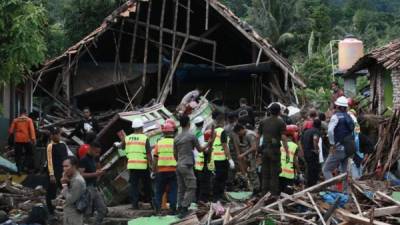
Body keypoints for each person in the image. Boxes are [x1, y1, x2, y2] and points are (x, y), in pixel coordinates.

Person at [174, 115, 208, 218]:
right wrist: (209, 143)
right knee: (192, 186)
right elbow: (200, 149)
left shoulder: (176, 137)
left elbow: (174, 154)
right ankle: (184, 208)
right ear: (189, 124)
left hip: (179, 164)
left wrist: (180, 161)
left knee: (181, 187)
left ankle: (179, 207)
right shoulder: (191, 136)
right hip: (187, 165)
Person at [258, 103, 289, 197]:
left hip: (264, 151)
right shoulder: (281, 122)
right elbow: (283, 138)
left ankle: (264, 194)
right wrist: (287, 152)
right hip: (274, 151)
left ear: (269, 111)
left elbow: (257, 136)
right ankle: (273, 195)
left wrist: (257, 150)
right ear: (279, 112)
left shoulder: (263, 122)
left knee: (265, 173)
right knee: (274, 174)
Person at [323, 96, 354, 185]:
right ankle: (345, 192)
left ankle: (333, 190)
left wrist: (332, 144)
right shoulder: (349, 116)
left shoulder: (335, 117)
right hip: (349, 147)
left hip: (339, 148)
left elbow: (330, 131)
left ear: (337, 106)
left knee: (326, 169)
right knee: (344, 172)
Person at [123, 118, 152, 209]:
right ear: (141, 128)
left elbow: (123, 150)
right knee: (147, 185)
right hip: (143, 165)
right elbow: (148, 153)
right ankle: (152, 203)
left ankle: (134, 205)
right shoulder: (144, 138)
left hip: (132, 165)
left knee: (134, 186)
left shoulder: (127, 138)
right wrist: (151, 165)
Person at [79, 141, 108, 225]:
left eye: (99, 152)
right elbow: (80, 174)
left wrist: (99, 173)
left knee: (103, 210)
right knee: (87, 213)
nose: (97, 154)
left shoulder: (93, 159)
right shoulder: (84, 160)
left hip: (94, 187)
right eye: (96, 152)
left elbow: (94, 171)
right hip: (86, 189)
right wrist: (95, 174)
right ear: (90, 149)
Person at [153, 122, 178, 214]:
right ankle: (172, 209)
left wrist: (153, 170)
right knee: (173, 189)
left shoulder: (159, 143)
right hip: (173, 170)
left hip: (161, 170)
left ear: (164, 133)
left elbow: (155, 158)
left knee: (159, 190)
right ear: (172, 132)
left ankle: (158, 209)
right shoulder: (176, 142)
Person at [45, 127, 69, 218]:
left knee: (66, 191)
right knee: (51, 192)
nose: (59, 136)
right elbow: (49, 161)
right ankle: (51, 211)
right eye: (57, 134)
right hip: (53, 172)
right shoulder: (50, 146)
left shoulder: (63, 144)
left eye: (59, 134)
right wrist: (51, 175)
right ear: (53, 135)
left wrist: (67, 171)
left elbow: (66, 158)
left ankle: (68, 210)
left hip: (62, 171)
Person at [233, 124, 260, 196]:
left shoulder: (249, 135)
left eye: (239, 133)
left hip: (253, 157)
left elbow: (253, 147)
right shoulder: (246, 134)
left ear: (241, 129)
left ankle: (257, 190)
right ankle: (255, 189)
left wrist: (243, 154)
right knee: (251, 173)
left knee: (253, 173)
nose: (239, 135)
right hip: (250, 157)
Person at [8, 108, 36, 173]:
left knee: (18, 155)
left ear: (20, 113)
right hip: (26, 139)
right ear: (25, 113)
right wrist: (33, 139)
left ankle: (19, 170)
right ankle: (24, 166)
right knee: (30, 153)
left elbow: (11, 131)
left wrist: (11, 139)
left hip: (17, 140)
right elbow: (32, 130)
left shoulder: (15, 120)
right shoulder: (29, 120)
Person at [61, 156, 86, 225]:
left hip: (74, 214)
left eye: (66, 166)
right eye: (63, 166)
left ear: (74, 166)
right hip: (68, 212)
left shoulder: (78, 180)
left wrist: (64, 185)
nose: (64, 169)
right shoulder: (70, 177)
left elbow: (70, 199)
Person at [279, 125, 299, 194]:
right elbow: (295, 161)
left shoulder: (279, 143)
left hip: (278, 171)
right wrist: (299, 171)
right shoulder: (295, 146)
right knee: (288, 193)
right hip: (289, 173)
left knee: (279, 192)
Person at [301, 119, 322, 187]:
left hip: (306, 152)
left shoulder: (306, 131)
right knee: (314, 170)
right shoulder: (316, 131)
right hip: (312, 153)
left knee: (309, 169)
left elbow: (301, 141)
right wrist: (316, 149)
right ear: (319, 125)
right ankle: (313, 185)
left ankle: (308, 184)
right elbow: (315, 139)